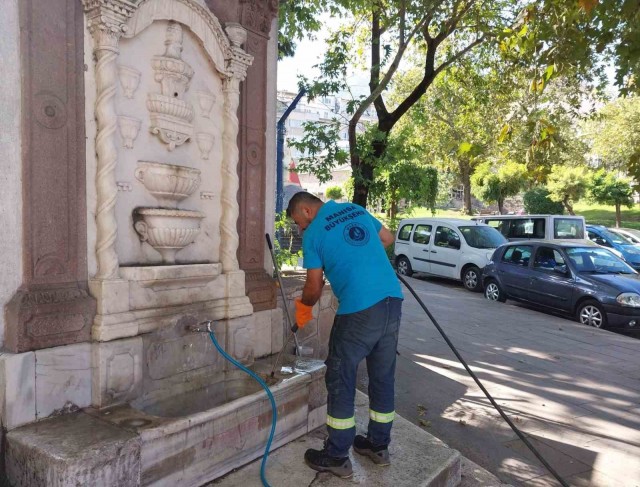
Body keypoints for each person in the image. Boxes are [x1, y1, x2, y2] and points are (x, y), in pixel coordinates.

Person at [286, 191, 403, 478]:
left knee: (340, 374)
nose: (300, 229)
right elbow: (387, 238)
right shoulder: (355, 209)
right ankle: (378, 445)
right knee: (382, 374)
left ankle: (337, 455)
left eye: (298, 223)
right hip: (391, 301)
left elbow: (313, 288)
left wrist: (302, 310)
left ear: (305, 211)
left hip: (359, 308)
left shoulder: (314, 233)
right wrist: (357, 255)